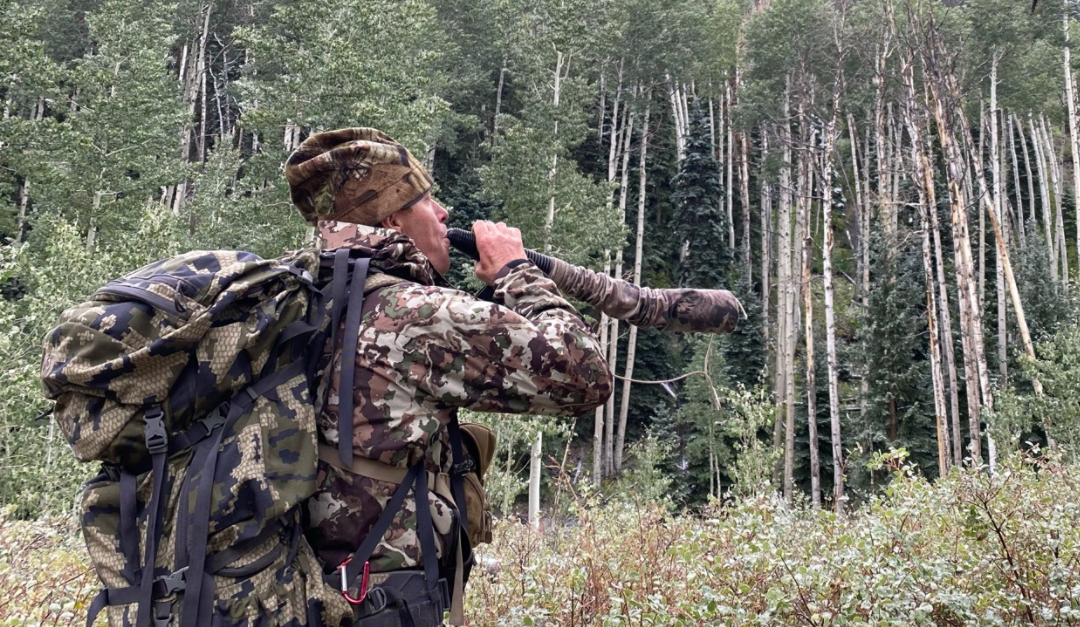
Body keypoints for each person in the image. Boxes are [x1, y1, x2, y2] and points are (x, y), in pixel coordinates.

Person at [284, 127, 613, 626]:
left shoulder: (306, 297)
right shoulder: (416, 314)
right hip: (381, 603)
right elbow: (583, 374)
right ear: (393, 219)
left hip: (307, 590)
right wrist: (517, 271)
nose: (443, 214)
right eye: (426, 199)